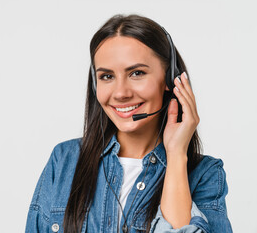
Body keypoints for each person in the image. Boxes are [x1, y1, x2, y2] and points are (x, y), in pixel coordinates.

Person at [25, 14, 232, 233]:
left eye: (137, 73)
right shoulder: (64, 160)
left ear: (170, 79)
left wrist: (176, 155)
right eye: (107, 76)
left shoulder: (205, 175)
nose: (121, 93)